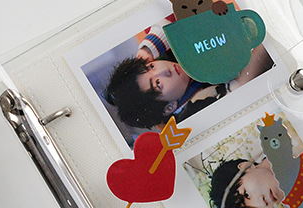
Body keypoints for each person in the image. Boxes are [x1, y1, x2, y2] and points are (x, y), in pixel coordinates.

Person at [104, 24, 272, 131]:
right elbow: (241, 85)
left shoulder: (166, 60)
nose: (164, 70)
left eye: (151, 67)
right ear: (169, 108)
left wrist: (147, 51)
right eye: (158, 84)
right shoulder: (192, 112)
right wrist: (267, 34)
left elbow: (169, 23)